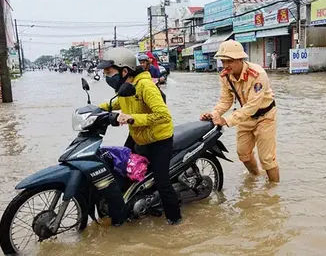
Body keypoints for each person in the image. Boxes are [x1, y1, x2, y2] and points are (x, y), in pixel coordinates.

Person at [97, 47, 182, 225]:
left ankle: (175, 221)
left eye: (109, 72)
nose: (106, 76)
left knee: (162, 181)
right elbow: (118, 103)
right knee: (121, 168)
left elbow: (163, 115)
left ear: (124, 70)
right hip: (138, 136)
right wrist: (96, 110)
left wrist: (132, 118)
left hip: (159, 139)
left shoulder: (145, 86)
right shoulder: (124, 87)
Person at [200, 40, 280, 183]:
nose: (225, 65)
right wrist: (215, 114)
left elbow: (252, 106)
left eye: (229, 61)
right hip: (244, 117)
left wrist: (226, 121)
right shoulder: (225, 76)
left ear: (240, 59)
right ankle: (256, 177)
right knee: (243, 154)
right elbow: (226, 100)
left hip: (265, 116)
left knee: (266, 158)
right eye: (223, 61)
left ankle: (274, 191)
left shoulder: (257, 74)